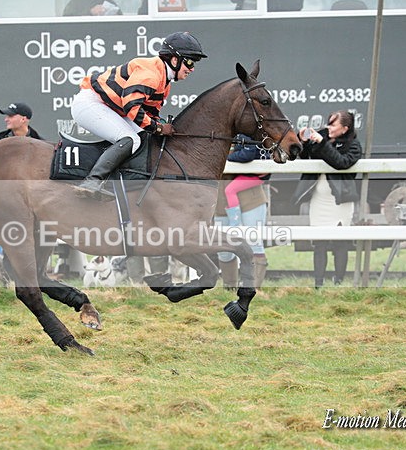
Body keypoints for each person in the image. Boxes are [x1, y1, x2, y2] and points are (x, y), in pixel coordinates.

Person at [71, 31, 207, 200]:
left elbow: (150, 113)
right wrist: (158, 128)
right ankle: (92, 182)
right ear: (174, 59)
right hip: (91, 103)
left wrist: (161, 127)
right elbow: (131, 106)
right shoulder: (151, 73)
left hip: (110, 106)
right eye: (189, 62)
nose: (191, 68)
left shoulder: (165, 81)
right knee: (131, 139)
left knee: (143, 136)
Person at [292, 110, 362, 288]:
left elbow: (341, 162)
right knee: (319, 243)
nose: (328, 127)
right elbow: (304, 156)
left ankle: (338, 282)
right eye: (329, 123)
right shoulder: (321, 136)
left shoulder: (353, 145)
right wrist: (303, 141)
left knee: (340, 243)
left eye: (333, 124)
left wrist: (323, 143)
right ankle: (318, 283)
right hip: (318, 199)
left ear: (345, 128)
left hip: (341, 200)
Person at [216, 135, 272, 288]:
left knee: (254, 242)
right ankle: (229, 288)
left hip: (250, 199)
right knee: (223, 248)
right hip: (220, 201)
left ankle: (253, 290)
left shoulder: (247, 132)